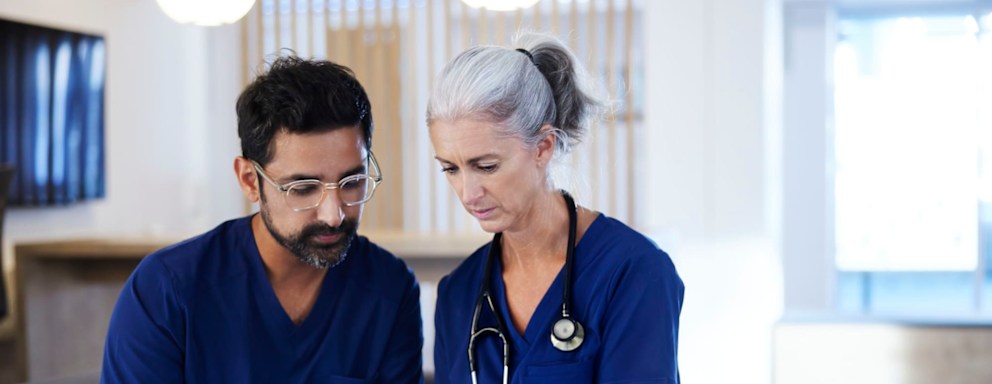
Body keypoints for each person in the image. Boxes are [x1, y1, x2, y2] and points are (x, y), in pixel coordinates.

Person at [102, 56, 424, 383]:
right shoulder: (167, 291)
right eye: (303, 188)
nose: (333, 214)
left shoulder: (389, 288)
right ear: (248, 180)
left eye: (352, 183)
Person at [427, 33, 684, 383]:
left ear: (543, 147)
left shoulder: (631, 273)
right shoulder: (459, 294)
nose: (468, 193)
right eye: (450, 169)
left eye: (486, 166)